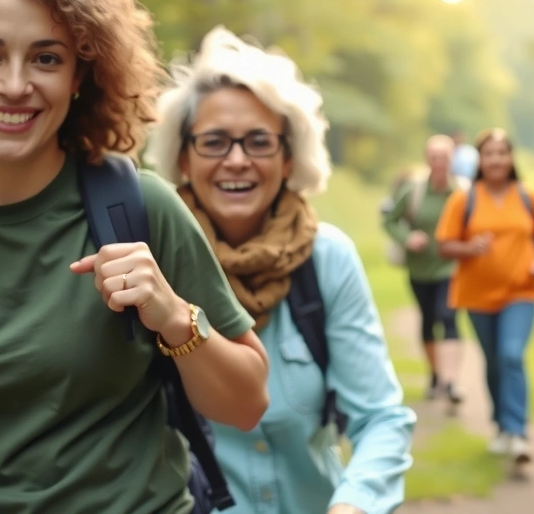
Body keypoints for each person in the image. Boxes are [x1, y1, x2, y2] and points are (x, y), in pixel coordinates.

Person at [0, 0, 269, 514]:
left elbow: (247, 404)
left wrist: (173, 317)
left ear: (82, 76)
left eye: (46, 58)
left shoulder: (139, 206)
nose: (14, 84)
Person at [146, 26, 415, 514]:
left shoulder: (326, 258)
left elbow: (381, 419)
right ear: (182, 156)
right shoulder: (153, 265)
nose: (236, 160)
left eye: (258, 142)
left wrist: (353, 504)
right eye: (214, 142)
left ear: (289, 157)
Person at [435, 128, 534, 463]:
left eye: (502, 153)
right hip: (477, 296)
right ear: (480, 160)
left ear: (511, 158)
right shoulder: (464, 199)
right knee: (494, 361)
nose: (497, 159)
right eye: (490, 154)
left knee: (511, 354)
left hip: (521, 292)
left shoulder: (528, 197)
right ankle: (501, 425)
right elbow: (444, 246)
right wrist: (469, 247)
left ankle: (517, 433)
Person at [382, 134, 465, 405]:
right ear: (427, 159)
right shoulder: (414, 190)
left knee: (448, 317)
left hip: (451, 267)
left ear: (452, 159)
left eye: (444, 157)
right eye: (434, 157)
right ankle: (435, 374)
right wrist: (407, 238)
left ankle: (451, 382)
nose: (439, 162)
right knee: (429, 319)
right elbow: (390, 221)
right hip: (419, 269)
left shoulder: (461, 192)